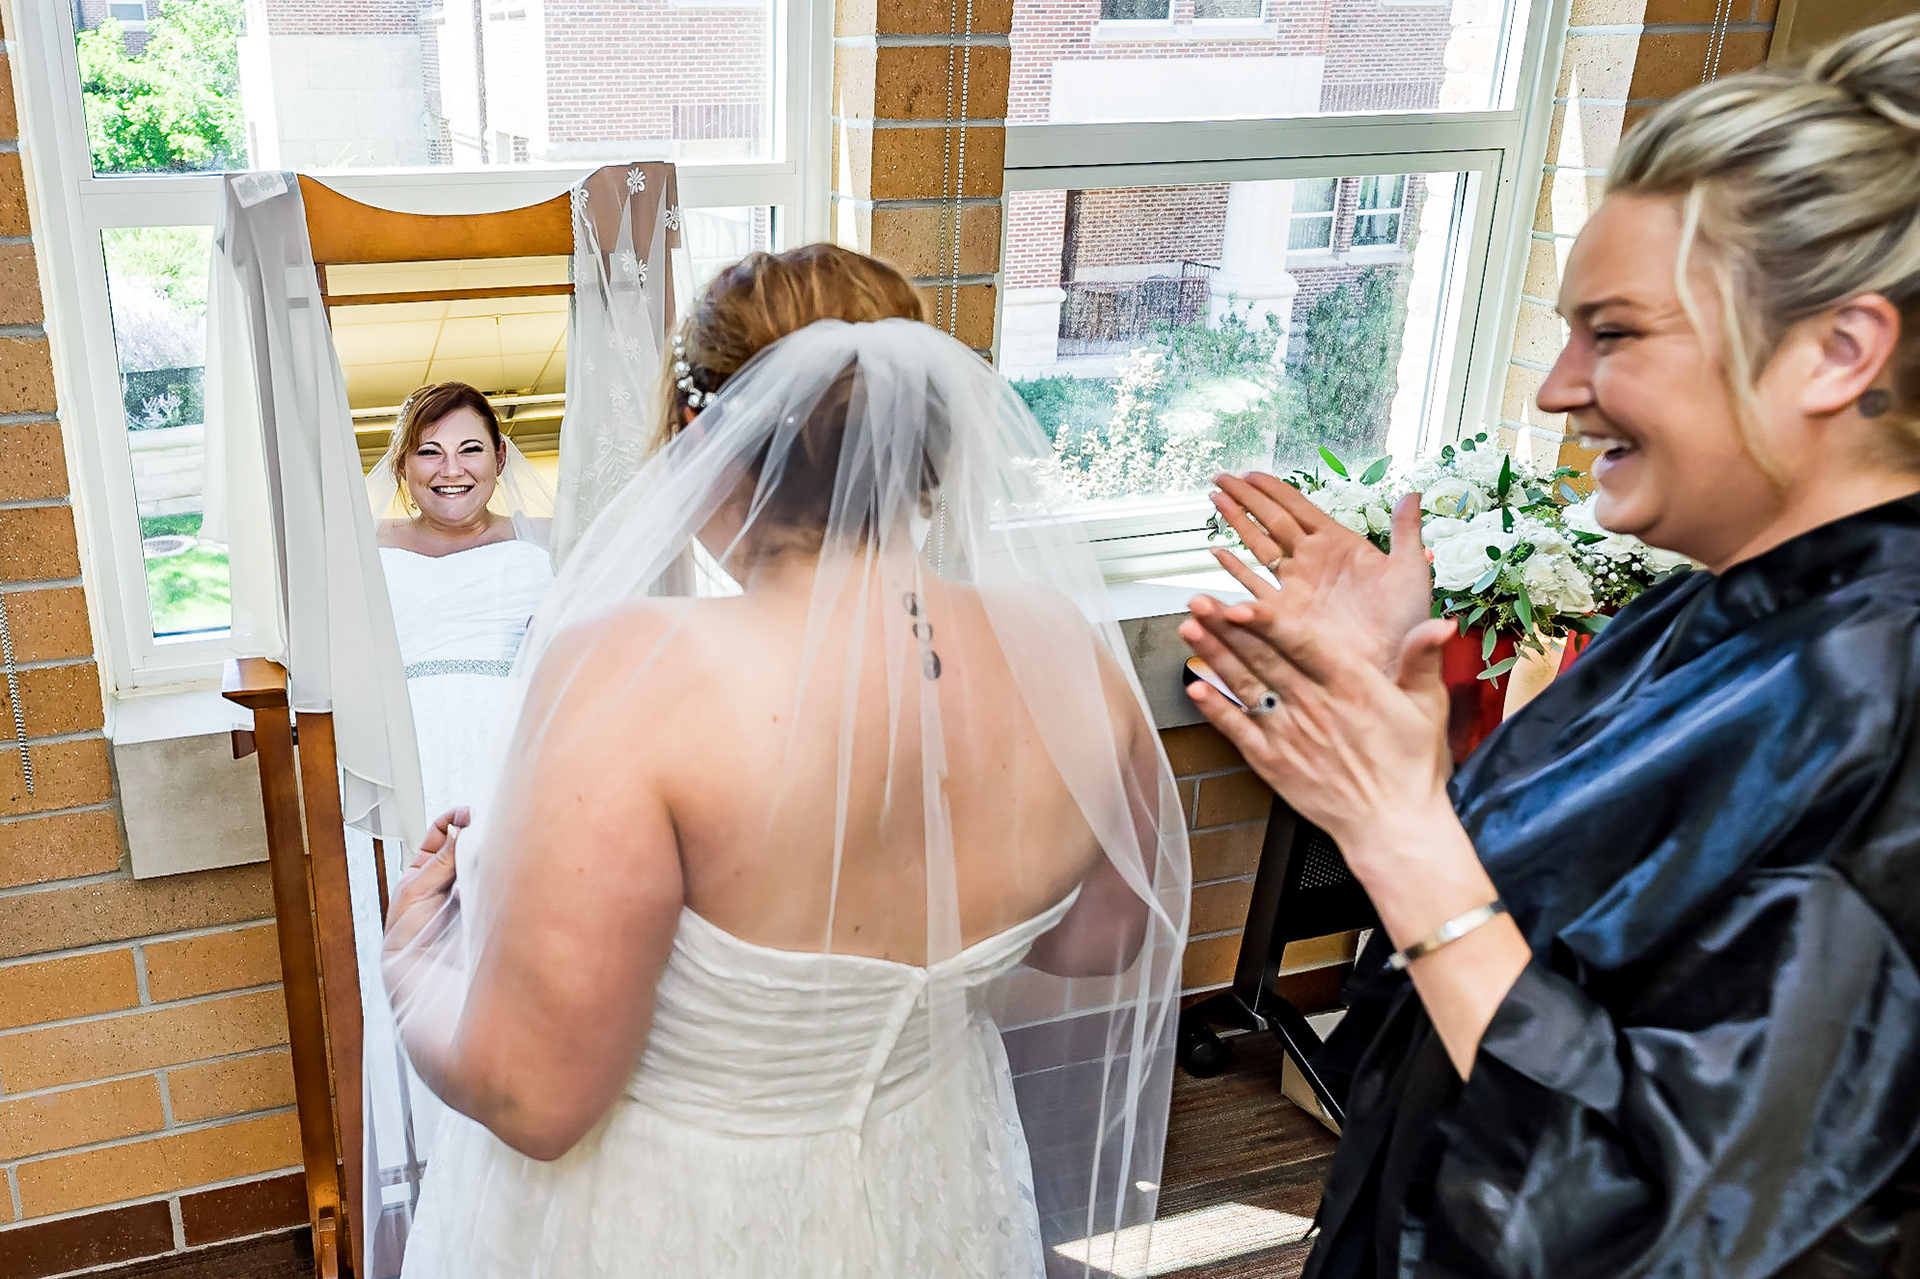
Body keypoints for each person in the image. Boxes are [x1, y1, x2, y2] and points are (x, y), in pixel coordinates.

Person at [1181, 19, 1920, 1277]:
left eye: (1617, 334)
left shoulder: (1877, 705)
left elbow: (1680, 1215)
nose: (1557, 388)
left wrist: (1399, 830)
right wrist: (1384, 700)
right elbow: (1545, 940)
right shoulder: (1714, 615)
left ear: (1836, 352)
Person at [379, 246, 1190, 1278]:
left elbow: (537, 1099)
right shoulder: (1066, 652)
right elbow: (1105, 938)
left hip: (683, 1217)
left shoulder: (633, 677)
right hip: (929, 1173)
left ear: (702, 438)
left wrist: (414, 962)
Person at [349, 382, 557, 1259]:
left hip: (502, 762)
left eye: (471, 449)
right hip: (408, 764)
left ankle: (521, 1158)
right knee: (418, 954)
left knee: (508, 957)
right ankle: (437, 1170)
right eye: (431, 451)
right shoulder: (367, 552)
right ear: (403, 466)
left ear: (500, 460)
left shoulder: (539, 550)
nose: (452, 470)